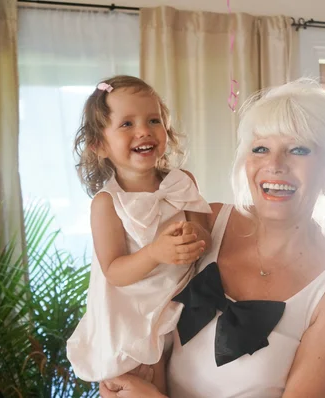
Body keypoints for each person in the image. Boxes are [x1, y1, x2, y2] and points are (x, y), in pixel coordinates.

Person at [99, 79, 325, 398]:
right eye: (261, 149)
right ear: (247, 163)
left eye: (298, 149)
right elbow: (134, 300)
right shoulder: (205, 223)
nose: (275, 165)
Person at [66, 75, 212, 394]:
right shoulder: (107, 203)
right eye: (127, 124)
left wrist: (192, 234)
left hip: (177, 305)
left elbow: (206, 234)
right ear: (99, 145)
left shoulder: (181, 181)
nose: (143, 130)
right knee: (145, 383)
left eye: (153, 120)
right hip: (129, 318)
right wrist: (155, 253)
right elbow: (114, 272)